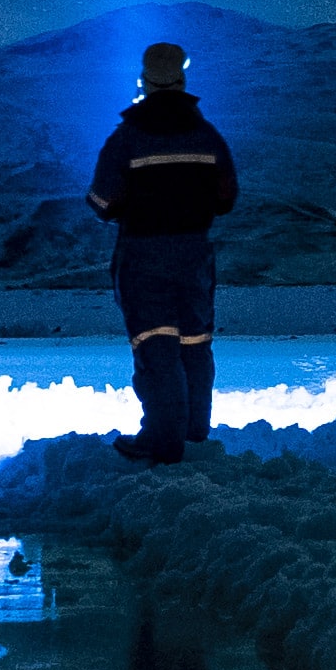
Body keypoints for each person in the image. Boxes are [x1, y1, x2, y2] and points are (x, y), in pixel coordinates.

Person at [87, 38, 239, 460]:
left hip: (143, 255)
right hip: (194, 255)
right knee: (194, 342)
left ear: (145, 81)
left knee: (156, 345)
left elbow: (102, 200)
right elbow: (227, 198)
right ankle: (193, 433)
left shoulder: (128, 139)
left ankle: (163, 441)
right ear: (182, 79)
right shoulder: (207, 137)